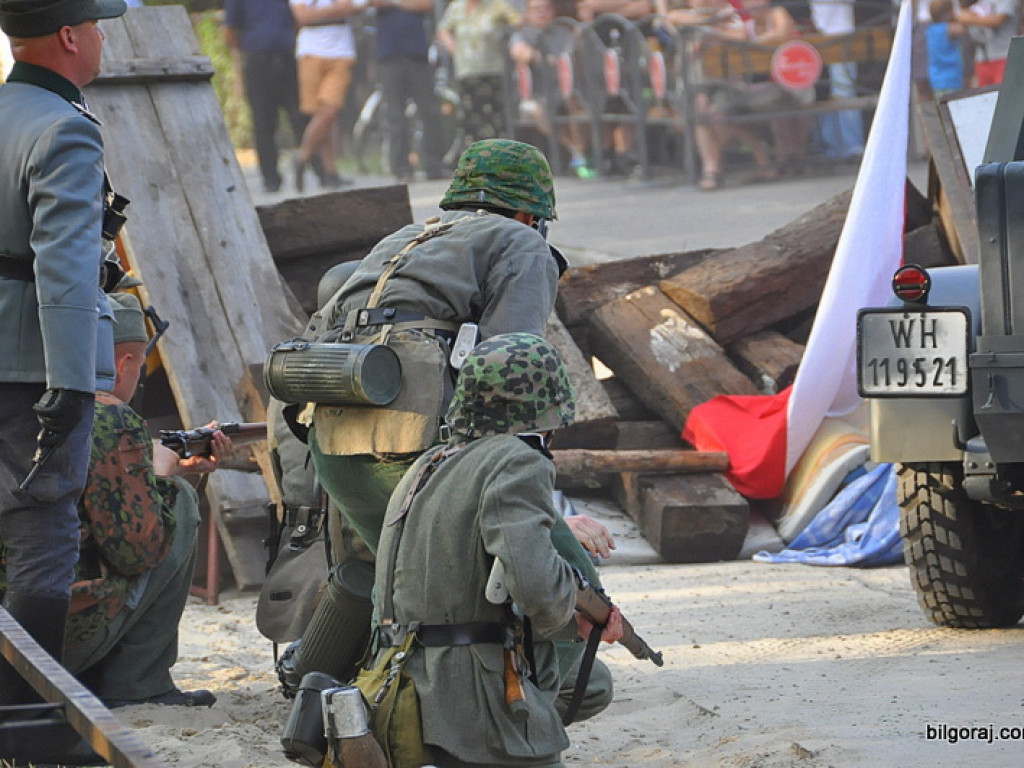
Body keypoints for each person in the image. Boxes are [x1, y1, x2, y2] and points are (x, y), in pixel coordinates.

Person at [277, 139, 616, 722]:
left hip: (331, 439)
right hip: (412, 435)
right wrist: (544, 506)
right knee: (581, 661)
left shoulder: (405, 239)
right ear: (531, 213)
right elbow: (513, 370)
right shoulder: (519, 243)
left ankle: (329, 683)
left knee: (393, 573)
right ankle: (453, 712)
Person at [370, 333, 623, 767]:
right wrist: (575, 614)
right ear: (549, 405)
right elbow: (534, 583)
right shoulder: (517, 459)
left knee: (590, 682)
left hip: (398, 683)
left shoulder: (430, 463)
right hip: (470, 694)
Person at [0, 0, 125, 724]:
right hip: (31, 367)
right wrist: (76, 381)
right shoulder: (65, 130)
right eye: (99, 26)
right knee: (43, 540)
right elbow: (66, 269)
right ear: (71, 37)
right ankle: (28, 719)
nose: (103, 39)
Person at [61, 292, 228, 708]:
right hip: (52, 642)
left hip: (16, 627)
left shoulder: (27, 402)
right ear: (125, 363)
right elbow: (139, 550)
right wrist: (159, 476)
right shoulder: (106, 415)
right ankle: (139, 686)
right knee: (179, 502)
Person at [224, 0, 309, 194]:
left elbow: (297, 19)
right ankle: (270, 178)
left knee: (300, 115)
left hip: (287, 59)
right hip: (258, 60)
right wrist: (245, 55)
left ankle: (310, 165)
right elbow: (231, 30)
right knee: (264, 122)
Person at [508, 0, 594, 177]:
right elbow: (519, 52)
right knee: (539, 112)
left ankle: (580, 153)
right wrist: (540, 57)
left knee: (575, 104)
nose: (541, 13)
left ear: (553, 11)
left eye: (545, 9)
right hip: (533, 94)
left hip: (562, 90)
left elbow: (570, 56)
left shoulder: (563, 32)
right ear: (528, 13)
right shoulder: (522, 34)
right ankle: (572, 152)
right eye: (536, 10)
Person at [370, 0, 447, 182]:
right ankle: (402, 168)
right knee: (396, 113)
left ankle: (434, 165)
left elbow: (426, 4)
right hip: (389, 54)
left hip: (417, 53)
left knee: (429, 111)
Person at [289, 0, 359, 192]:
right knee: (321, 114)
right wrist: (336, 10)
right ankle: (330, 172)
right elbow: (302, 16)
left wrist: (320, 13)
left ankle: (302, 156)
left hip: (340, 52)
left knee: (330, 109)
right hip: (310, 52)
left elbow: (353, 7)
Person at [438, 0, 521, 143]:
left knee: (495, 120)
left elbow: (518, 22)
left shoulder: (497, 5)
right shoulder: (457, 7)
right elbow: (442, 29)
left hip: (492, 72)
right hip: (466, 72)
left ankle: (498, 158)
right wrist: (452, 46)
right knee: (470, 120)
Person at [810, 0, 864, 163]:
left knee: (843, 91)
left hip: (840, 34)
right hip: (820, 34)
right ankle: (833, 144)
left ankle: (850, 145)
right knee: (827, 92)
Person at [956, 0, 1017, 87]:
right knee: (985, 97)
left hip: (1004, 56)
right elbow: (961, 16)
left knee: (1003, 93)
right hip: (982, 58)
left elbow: (997, 20)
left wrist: (970, 18)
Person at [926, 0, 965, 97]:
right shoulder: (947, 28)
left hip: (936, 77)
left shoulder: (930, 29)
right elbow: (961, 29)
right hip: (951, 77)